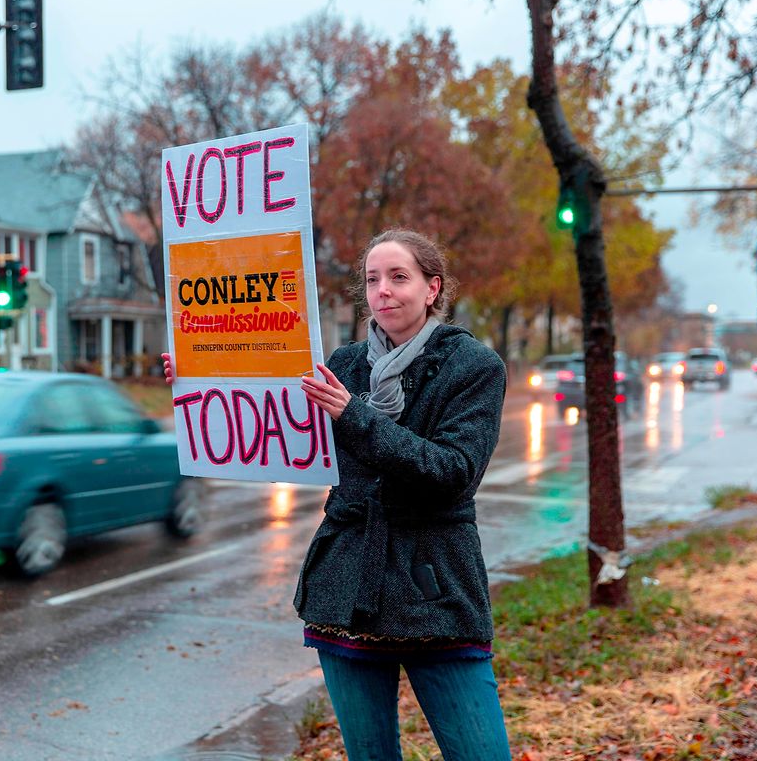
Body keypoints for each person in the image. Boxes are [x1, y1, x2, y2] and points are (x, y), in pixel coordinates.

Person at [163, 227, 510, 760]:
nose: (384, 292)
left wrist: (354, 416)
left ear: (432, 288)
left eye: (399, 277)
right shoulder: (344, 366)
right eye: (373, 280)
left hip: (435, 588)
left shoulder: (474, 367)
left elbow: (452, 472)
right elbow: (272, 425)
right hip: (347, 590)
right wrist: (196, 380)